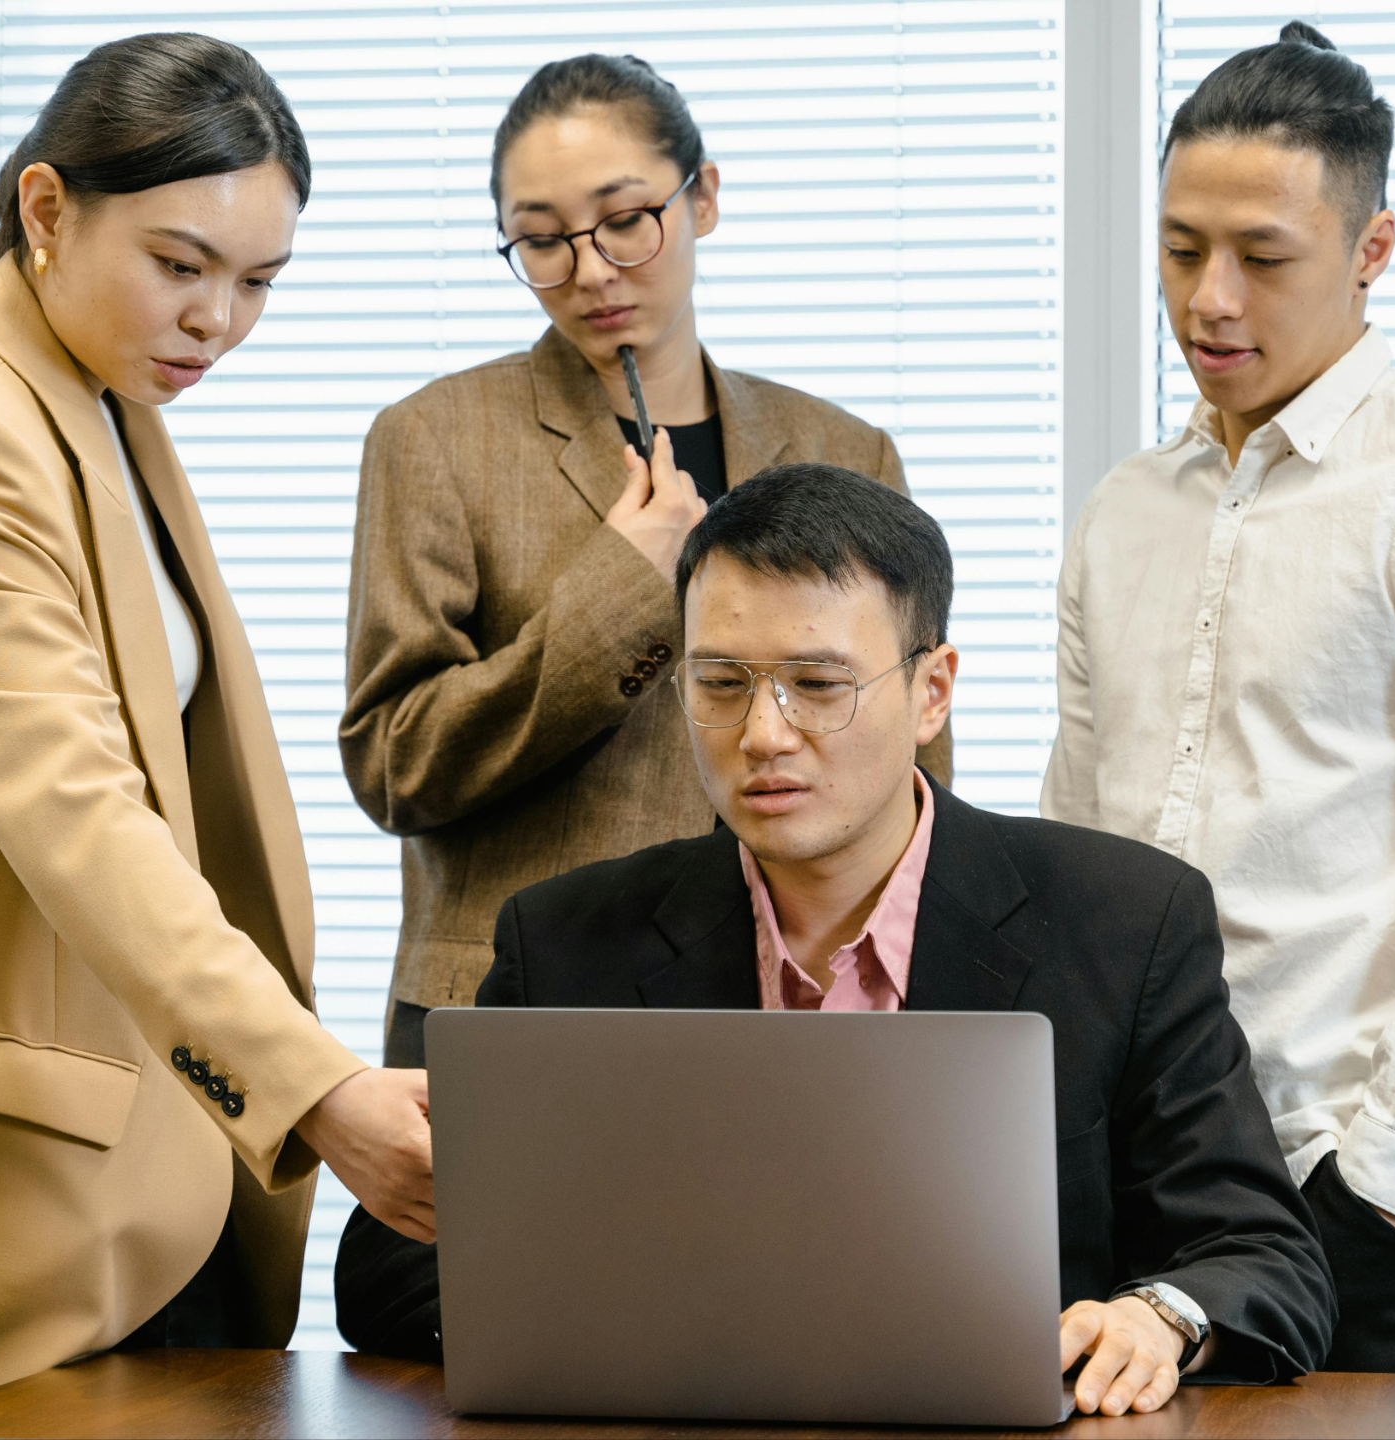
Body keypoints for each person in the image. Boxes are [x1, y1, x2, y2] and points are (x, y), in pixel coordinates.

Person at [0, 36, 433, 1435]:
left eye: (259, 282)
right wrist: (316, 1089)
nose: (216, 321)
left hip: (144, 1171)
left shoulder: (101, 399)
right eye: (181, 265)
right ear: (48, 210)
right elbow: (75, 811)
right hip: (0, 1206)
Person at [337, 465, 1335, 1417]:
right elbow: (391, 1273)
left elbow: (1263, 1259)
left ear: (932, 691)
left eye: (818, 683)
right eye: (721, 682)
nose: (763, 734)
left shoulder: (1126, 920)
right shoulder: (566, 940)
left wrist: (1159, 1320)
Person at [1041, 22, 1395, 1376]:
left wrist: (1385, 1175)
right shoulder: (1123, 512)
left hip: (1359, 1203)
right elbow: (1075, 855)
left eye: (1263, 256)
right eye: (1181, 249)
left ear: (1372, 248)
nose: (1210, 299)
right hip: (1141, 1202)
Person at [342, 54, 950, 1068]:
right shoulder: (436, 438)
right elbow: (397, 765)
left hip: (796, 998)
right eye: (543, 241)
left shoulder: (845, 449)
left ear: (701, 196)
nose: (589, 271)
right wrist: (623, 588)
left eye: (626, 220)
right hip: (523, 1000)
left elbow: (911, 762)